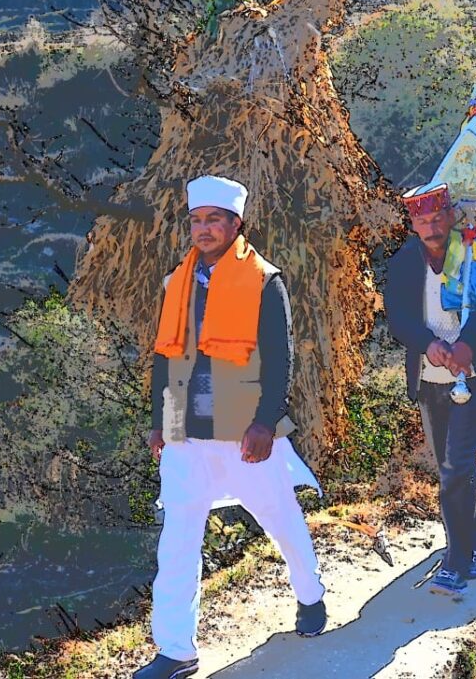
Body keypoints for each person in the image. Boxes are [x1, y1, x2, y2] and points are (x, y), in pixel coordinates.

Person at [135, 176, 326, 679]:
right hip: (185, 433)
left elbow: (281, 358)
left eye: (214, 220)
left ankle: (310, 594)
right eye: (196, 220)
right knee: (177, 541)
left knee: (279, 516)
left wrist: (265, 422)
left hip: (243, 431)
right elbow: (165, 357)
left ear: (236, 224)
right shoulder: (177, 282)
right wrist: (159, 422)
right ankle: (176, 649)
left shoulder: (264, 280)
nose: (203, 229)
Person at [384, 183, 476, 595]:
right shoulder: (405, 262)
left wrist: (466, 345)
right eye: (423, 221)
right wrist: (428, 344)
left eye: (438, 218)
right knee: (454, 471)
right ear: (413, 224)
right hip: (429, 380)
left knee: (455, 469)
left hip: (472, 379)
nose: (432, 227)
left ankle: (456, 561)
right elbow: (399, 317)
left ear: (451, 217)